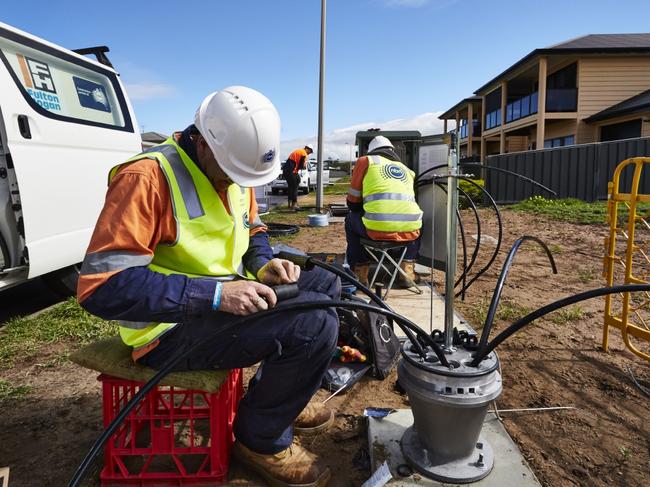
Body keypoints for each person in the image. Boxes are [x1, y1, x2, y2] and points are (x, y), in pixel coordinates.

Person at [77, 86, 338, 487]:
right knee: (314, 324)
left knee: (326, 279)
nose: (238, 182)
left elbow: (254, 231)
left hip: (222, 297)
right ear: (202, 141)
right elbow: (102, 287)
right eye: (233, 171)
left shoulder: (235, 167)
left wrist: (263, 264)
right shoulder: (146, 178)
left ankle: (280, 399)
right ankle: (260, 441)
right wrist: (216, 295)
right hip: (166, 329)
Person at [345, 135, 423, 287]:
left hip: (375, 229)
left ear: (371, 151)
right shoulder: (407, 170)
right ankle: (407, 270)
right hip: (409, 232)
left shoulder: (365, 161)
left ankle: (360, 272)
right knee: (417, 222)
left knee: (350, 220)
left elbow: (353, 201)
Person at [283, 144, 313, 211]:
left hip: (286, 171)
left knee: (291, 187)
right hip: (291, 171)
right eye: (310, 152)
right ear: (308, 149)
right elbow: (302, 166)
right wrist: (304, 165)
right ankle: (294, 205)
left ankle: (290, 204)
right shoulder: (304, 154)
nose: (309, 154)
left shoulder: (298, 151)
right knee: (295, 186)